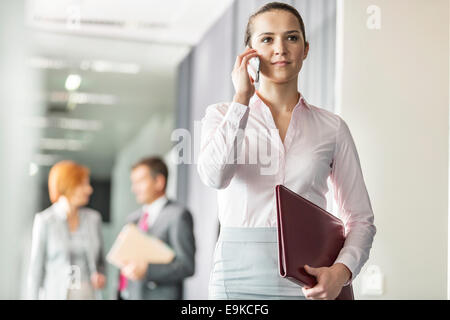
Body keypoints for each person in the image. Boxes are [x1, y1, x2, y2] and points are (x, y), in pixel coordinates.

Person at [197, 2, 376, 300]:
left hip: (309, 278)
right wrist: (241, 100)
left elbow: (360, 219)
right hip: (235, 277)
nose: (280, 48)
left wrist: (340, 272)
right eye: (267, 39)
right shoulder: (220, 115)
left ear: (305, 49)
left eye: (291, 38)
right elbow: (215, 176)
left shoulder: (332, 128)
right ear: (249, 54)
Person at [117, 156, 195, 300]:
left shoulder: (178, 215)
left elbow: (186, 265)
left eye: (140, 182)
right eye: (133, 183)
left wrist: (148, 270)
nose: (134, 189)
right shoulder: (133, 219)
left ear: (159, 182)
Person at [27, 160, 106, 300]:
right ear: (68, 185)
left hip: (87, 294)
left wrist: (100, 275)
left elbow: (100, 262)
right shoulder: (45, 220)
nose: (90, 189)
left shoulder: (94, 219)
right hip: (56, 294)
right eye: (84, 184)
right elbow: (36, 270)